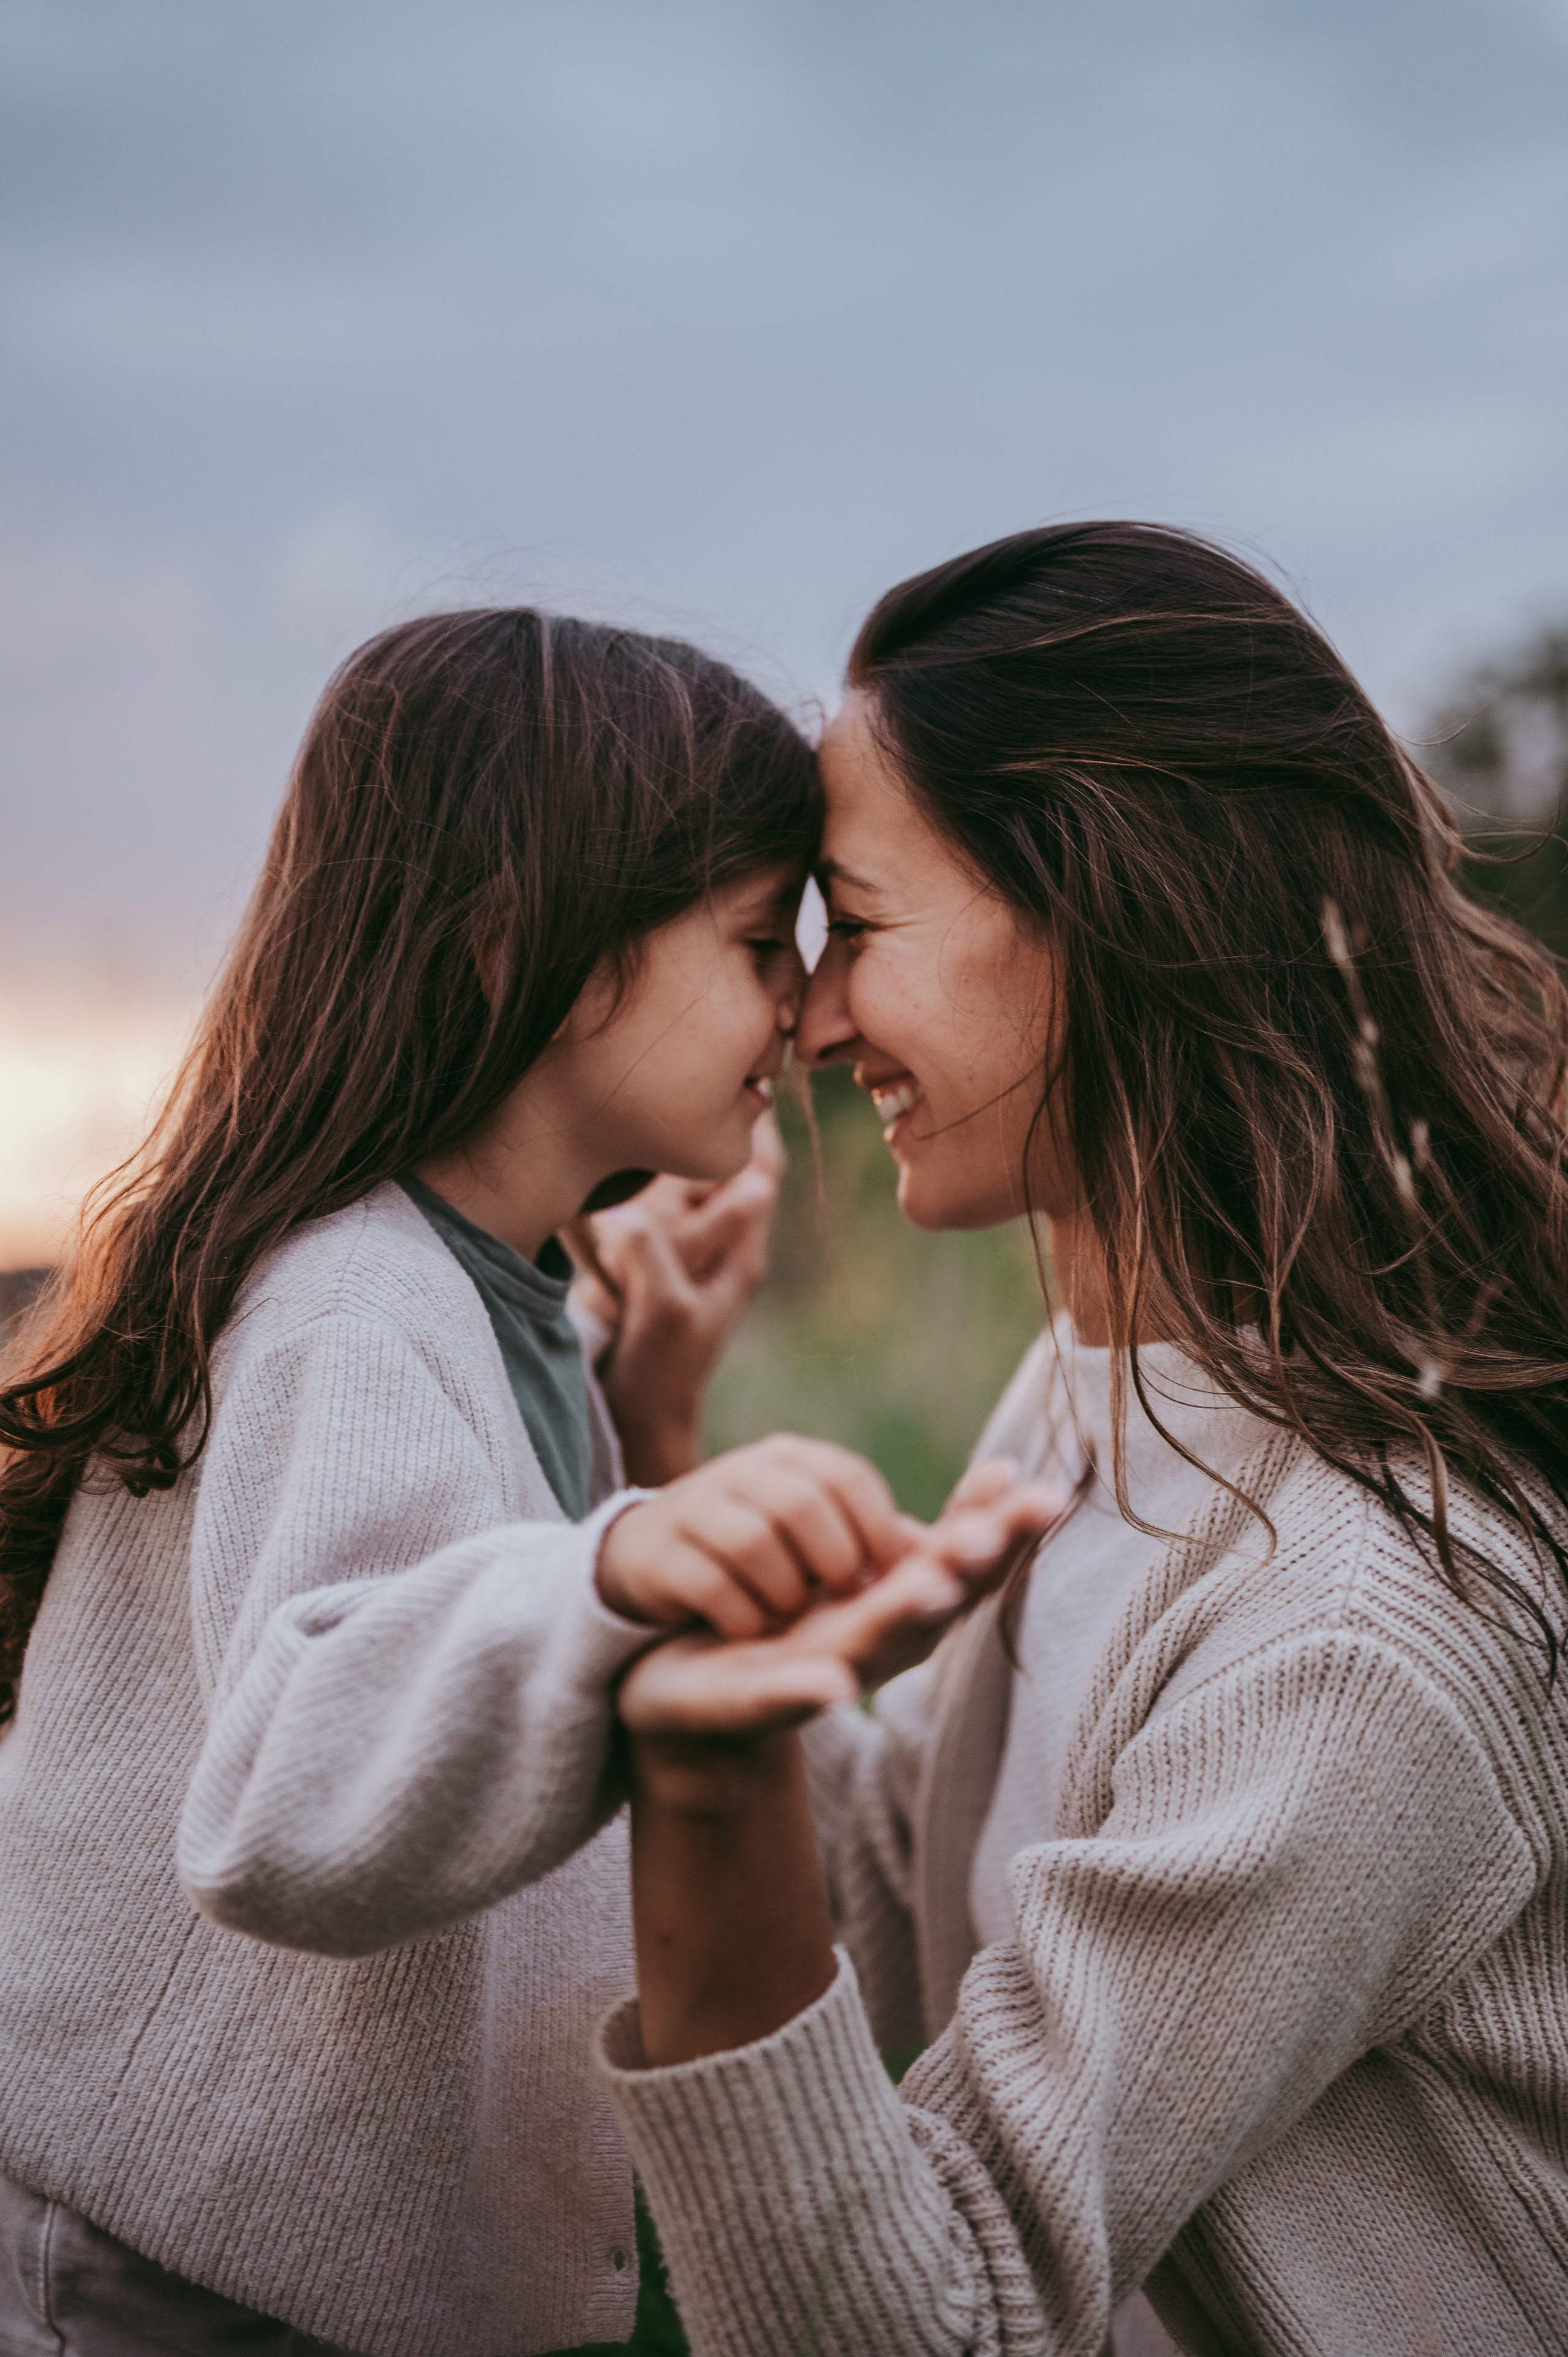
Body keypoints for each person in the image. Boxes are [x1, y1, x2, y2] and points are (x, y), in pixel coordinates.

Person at [0, 606, 1052, 2357]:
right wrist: (626, 1559)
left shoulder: (501, 1303)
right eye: (750, 939)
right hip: (159, 2296)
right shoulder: (354, 1302)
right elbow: (295, 1784)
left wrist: (643, 1438)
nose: (802, 1010)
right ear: (531, 951)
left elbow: (479, 1641)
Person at [595, 523, 1568, 2356]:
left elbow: (935, 2319)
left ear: (1112, 914)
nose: (806, 1022)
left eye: (860, 927)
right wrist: (637, 1467)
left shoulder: (1356, 1635)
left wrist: (707, 1780)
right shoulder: (1091, 1400)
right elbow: (886, 1892)